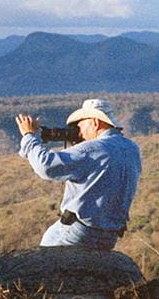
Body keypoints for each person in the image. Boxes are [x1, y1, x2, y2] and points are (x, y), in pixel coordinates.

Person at [15, 98, 141, 250]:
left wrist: (29, 137)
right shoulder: (132, 148)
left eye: (80, 124)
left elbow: (46, 166)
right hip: (110, 237)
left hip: (78, 232)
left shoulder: (92, 149)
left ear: (95, 122)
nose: (78, 131)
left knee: (43, 264)